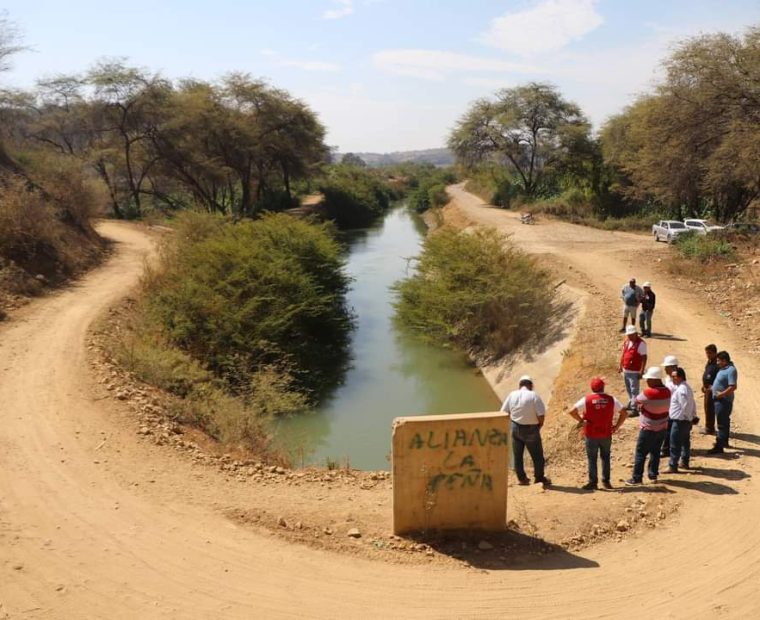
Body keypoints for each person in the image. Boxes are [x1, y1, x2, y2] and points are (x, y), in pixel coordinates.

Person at [565, 377, 628, 490]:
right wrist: (617, 426)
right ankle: (606, 482)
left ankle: (593, 482)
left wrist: (581, 420)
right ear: (603, 387)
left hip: (591, 434)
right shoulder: (611, 399)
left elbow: (572, 411)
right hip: (606, 433)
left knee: (592, 458)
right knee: (605, 457)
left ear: (591, 388)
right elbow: (624, 413)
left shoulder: (586, 400)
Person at [500, 375, 551, 487]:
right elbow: (541, 415)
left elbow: (503, 412)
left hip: (515, 427)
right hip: (531, 429)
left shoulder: (512, 394)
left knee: (517, 455)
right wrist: (539, 426)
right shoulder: (534, 396)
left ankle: (522, 479)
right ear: (531, 385)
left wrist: (513, 421)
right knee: (537, 456)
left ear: (520, 385)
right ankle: (539, 478)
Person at [626, 366, 671, 486]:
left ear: (655, 380)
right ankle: (653, 475)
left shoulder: (649, 392)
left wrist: (642, 406)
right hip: (662, 427)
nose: (647, 381)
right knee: (655, 452)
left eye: (649, 379)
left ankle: (637, 478)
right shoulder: (667, 391)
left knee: (641, 453)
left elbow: (635, 401)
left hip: (648, 428)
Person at [666, 367, 697, 473]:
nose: (672, 378)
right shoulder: (686, 387)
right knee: (685, 442)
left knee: (675, 443)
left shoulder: (681, 390)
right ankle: (684, 462)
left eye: (674, 376)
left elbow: (685, 405)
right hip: (685, 420)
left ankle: (673, 465)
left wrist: (686, 417)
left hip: (680, 421)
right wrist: (692, 417)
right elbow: (692, 403)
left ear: (680, 377)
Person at [708, 351, 738, 454]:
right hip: (720, 400)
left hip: (724, 401)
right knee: (724, 422)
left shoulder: (731, 370)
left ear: (724, 361)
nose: (717, 362)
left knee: (721, 423)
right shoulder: (723, 369)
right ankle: (724, 442)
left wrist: (721, 394)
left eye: (718, 360)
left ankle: (719, 447)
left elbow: (733, 386)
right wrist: (713, 388)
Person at [619, 325, 648, 415]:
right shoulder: (627, 342)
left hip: (634, 371)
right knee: (628, 388)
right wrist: (620, 366)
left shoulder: (641, 344)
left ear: (636, 333)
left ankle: (634, 408)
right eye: (629, 335)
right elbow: (623, 354)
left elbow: (644, 358)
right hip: (626, 370)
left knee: (634, 389)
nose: (630, 336)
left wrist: (641, 371)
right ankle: (631, 402)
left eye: (631, 334)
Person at [660, 355, 679, 458]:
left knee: (669, 429)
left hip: (673, 408)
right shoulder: (668, 378)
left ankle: (666, 449)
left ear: (673, 367)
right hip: (668, 407)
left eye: (667, 367)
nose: (665, 369)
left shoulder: (677, 379)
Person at [701, 344, 719, 436]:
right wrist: (704, 385)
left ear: (715, 353)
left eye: (710, 353)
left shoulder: (717, 364)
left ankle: (709, 429)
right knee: (707, 408)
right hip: (707, 388)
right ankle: (708, 427)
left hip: (712, 390)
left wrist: (713, 387)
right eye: (707, 353)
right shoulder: (710, 362)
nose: (708, 355)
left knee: (710, 409)